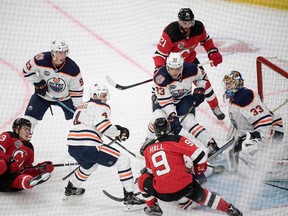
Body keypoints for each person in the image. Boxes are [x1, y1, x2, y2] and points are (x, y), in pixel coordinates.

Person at [63, 83, 145, 211]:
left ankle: (71, 188)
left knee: (89, 166)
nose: (106, 98)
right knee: (123, 160)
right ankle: (130, 199)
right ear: (95, 95)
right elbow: (103, 126)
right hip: (89, 145)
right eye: (103, 95)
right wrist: (118, 133)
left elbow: (92, 125)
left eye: (106, 95)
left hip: (72, 145)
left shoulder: (80, 106)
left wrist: (114, 129)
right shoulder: (101, 105)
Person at [138, 118, 242, 216]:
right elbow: (200, 156)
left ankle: (153, 208)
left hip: (163, 194)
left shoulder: (148, 149)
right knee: (203, 195)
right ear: (169, 128)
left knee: (142, 180)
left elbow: (151, 174)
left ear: (155, 132)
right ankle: (229, 208)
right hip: (186, 186)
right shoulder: (177, 139)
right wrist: (197, 171)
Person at [153, 8, 225, 120]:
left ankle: (215, 107)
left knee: (205, 84)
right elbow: (159, 55)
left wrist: (213, 51)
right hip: (173, 67)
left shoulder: (198, 28)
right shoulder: (170, 32)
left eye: (189, 23)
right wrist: (160, 69)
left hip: (189, 62)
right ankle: (167, 114)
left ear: (193, 21)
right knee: (170, 90)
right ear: (179, 21)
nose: (186, 26)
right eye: (183, 23)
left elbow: (206, 40)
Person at [143, 52, 220, 158]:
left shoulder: (192, 69)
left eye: (177, 69)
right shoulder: (160, 78)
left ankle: (211, 144)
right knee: (158, 119)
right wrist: (173, 116)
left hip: (184, 98)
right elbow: (166, 102)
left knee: (189, 121)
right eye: (171, 69)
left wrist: (200, 89)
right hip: (162, 101)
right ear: (167, 66)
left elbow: (202, 77)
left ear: (182, 66)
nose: (174, 72)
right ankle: (149, 140)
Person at [222, 71, 286, 178]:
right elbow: (238, 120)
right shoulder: (235, 97)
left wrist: (251, 137)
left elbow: (265, 123)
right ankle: (234, 173)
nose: (227, 86)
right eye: (226, 83)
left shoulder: (245, 97)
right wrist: (237, 137)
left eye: (230, 83)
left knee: (246, 151)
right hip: (256, 132)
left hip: (271, 131)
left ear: (238, 83)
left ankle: (271, 172)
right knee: (233, 152)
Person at [22, 40, 84, 135]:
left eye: (65, 52)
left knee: (81, 120)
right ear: (53, 53)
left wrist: (78, 108)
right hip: (43, 95)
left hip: (65, 98)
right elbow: (26, 71)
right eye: (60, 53)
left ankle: (84, 142)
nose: (63, 56)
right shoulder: (40, 59)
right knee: (28, 122)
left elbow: (77, 91)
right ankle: (22, 146)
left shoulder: (73, 68)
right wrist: (37, 81)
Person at [0, 118, 54, 192]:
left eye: (29, 130)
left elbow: (26, 168)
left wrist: (40, 169)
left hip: (7, 181)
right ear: (17, 129)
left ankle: (29, 182)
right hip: (2, 170)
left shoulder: (29, 147)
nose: (28, 132)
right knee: (2, 164)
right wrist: (9, 160)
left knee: (23, 178)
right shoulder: (8, 135)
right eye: (25, 129)